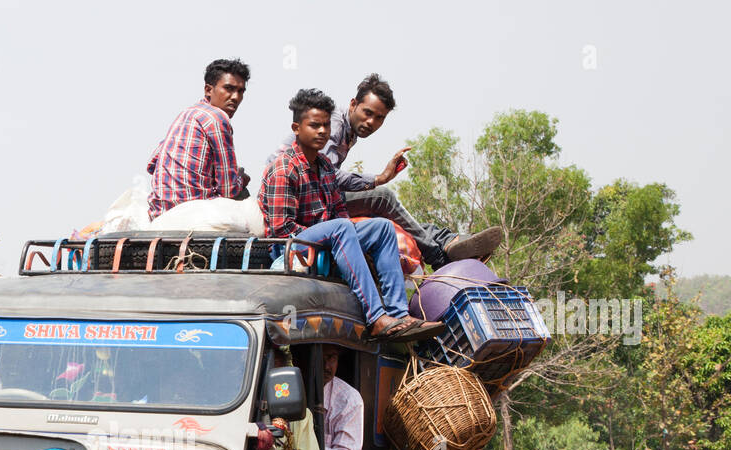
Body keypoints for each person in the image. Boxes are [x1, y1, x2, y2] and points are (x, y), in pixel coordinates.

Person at [266, 73, 501, 270]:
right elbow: (326, 177)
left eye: (379, 118)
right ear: (352, 105)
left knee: (389, 215)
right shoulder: (333, 126)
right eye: (367, 113)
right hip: (295, 198)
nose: (371, 122)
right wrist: (378, 179)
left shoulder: (348, 132)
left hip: (318, 195)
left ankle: (446, 240)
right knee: (382, 197)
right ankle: (439, 257)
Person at [259, 87, 439, 339]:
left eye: (325, 126)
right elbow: (282, 230)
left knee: (382, 228)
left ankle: (399, 314)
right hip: (292, 246)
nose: (322, 131)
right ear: (297, 128)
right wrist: (334, 233)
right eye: (314, 126)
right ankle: (376, 317)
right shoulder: (283, 169)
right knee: (342, 228)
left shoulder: (324, 167)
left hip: (326, 235)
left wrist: (343, 233)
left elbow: (339, 210)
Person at [146, 58, 253, 220]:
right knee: (244, 197)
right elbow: (228, 188)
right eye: (229, 89)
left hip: (159, 212)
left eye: (240, 91)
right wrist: (241, 179)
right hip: (193, 212)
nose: (235, 97)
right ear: (208, 90)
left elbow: (152, 163)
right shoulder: (217, 118)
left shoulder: (187, 113)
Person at [321, 344, 363, 450]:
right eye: (321, 358)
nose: (326, 366)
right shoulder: (286, 389)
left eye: (331, 358)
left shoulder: (348, 399)